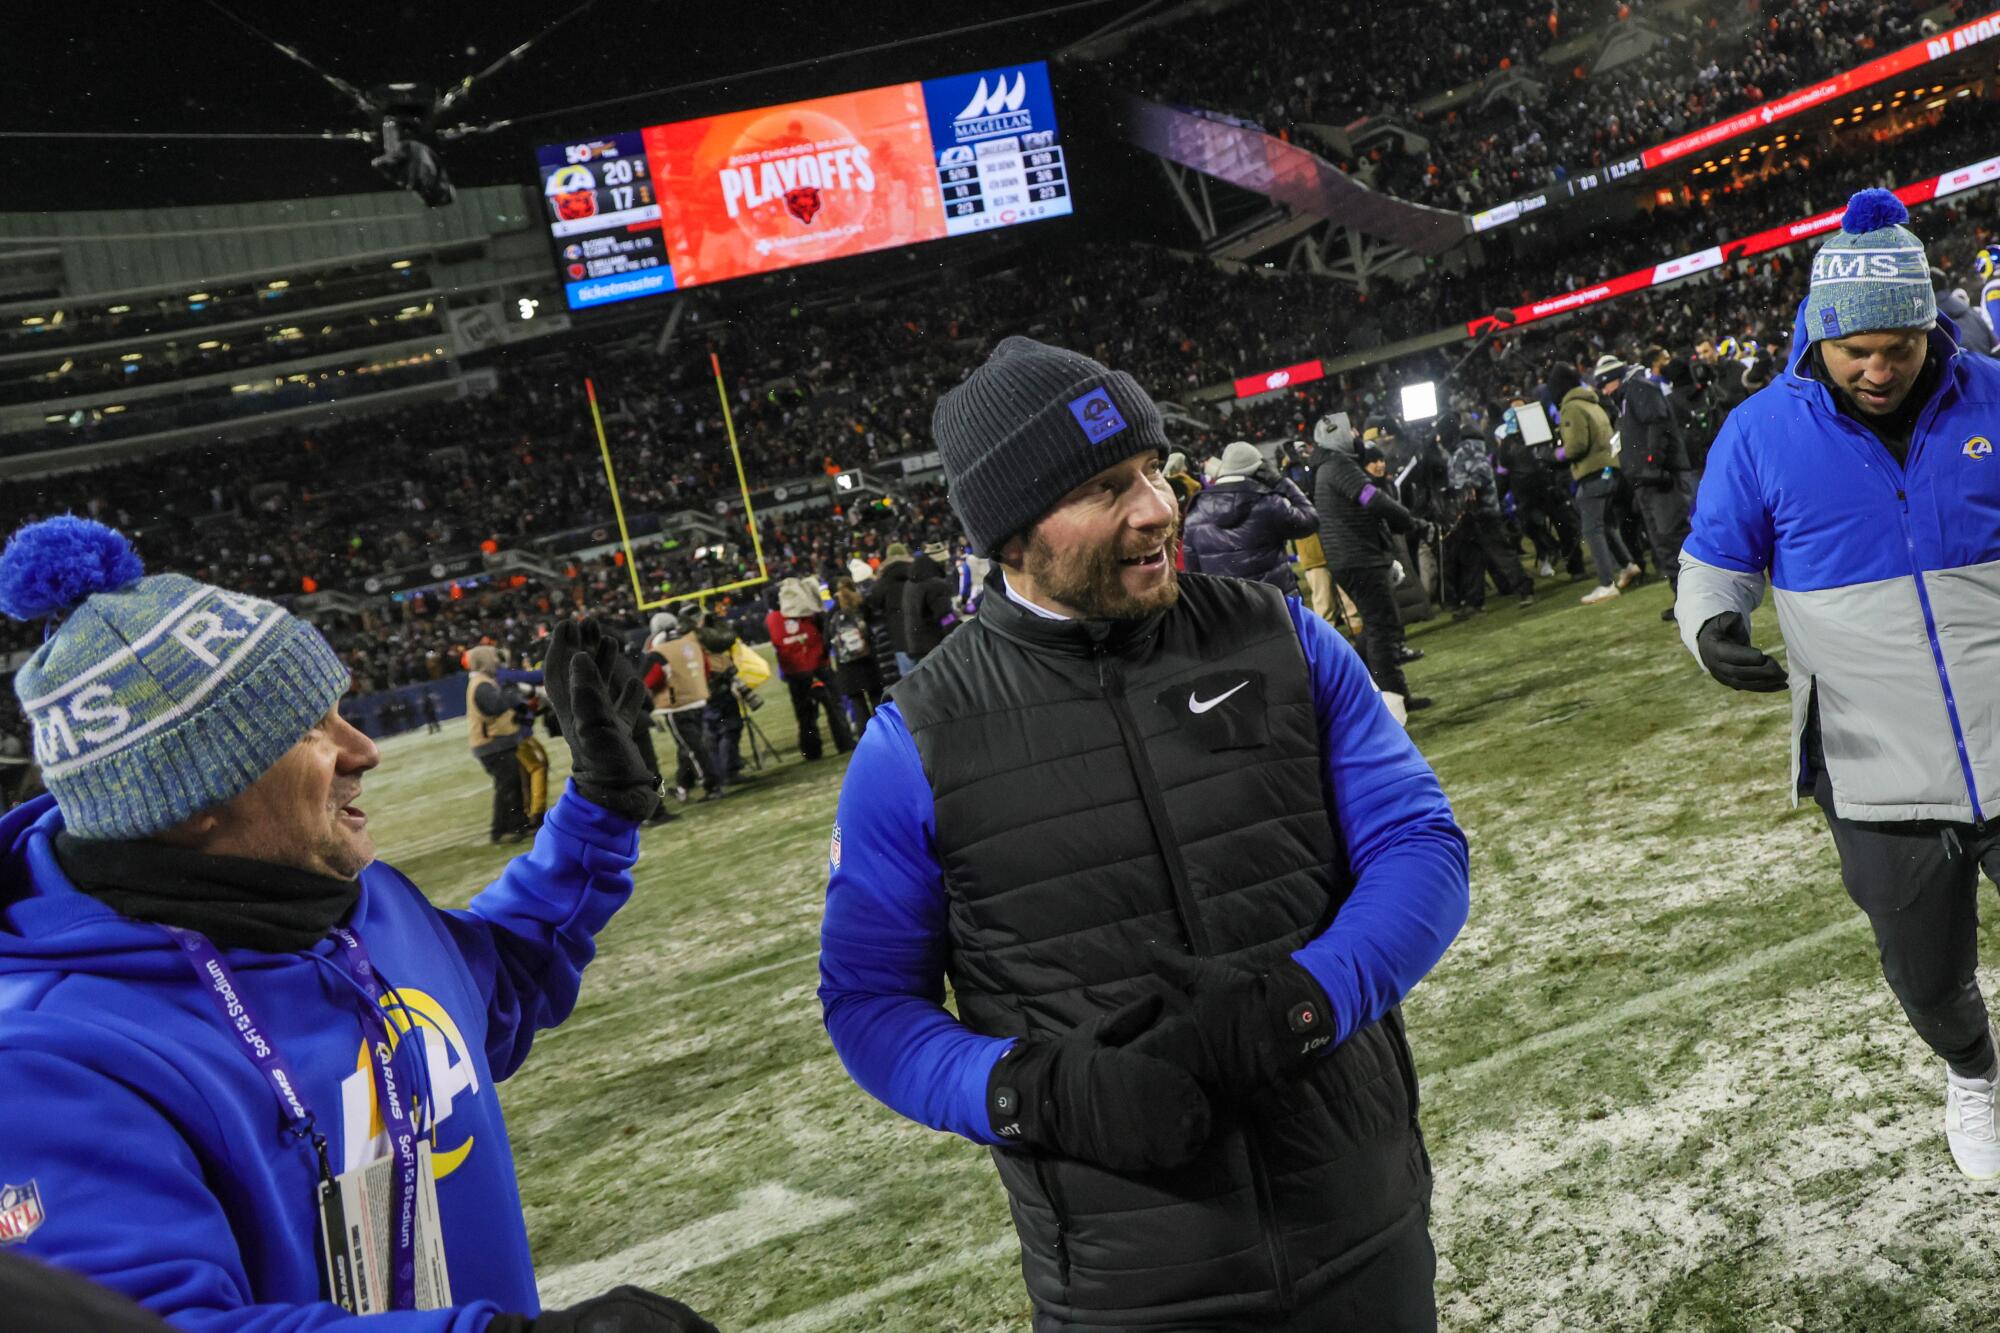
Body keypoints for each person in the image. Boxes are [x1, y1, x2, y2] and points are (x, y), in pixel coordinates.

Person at [819, 337, 1469, 1330]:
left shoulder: (1281, 637)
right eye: (1102, 488)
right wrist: (1026, 1093)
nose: (1158, 507)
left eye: (1152, 471)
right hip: (1128, 1290)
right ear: (1008, 533)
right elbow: (867, 1003)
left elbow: (1419, 846)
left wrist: (1303, 1000)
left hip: (1361, 1226)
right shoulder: (914, 743)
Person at [0, 516, 714, 1331]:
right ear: (190, 798)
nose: (364, 747)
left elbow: (490, 990)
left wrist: (600, 813)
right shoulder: (47, 1063)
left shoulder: (349, 902)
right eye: (309, 728)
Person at [1678, 189, 2000, 1181]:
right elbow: (1712, 560)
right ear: (1816, 332)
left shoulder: (1992, 393)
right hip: (1869, 766)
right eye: (1853, 348)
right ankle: (1976, 1079)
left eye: (1896, 345)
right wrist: (1709, 625)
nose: (1875, 368)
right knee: (1922, 970)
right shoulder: (1755, 431)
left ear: (1926, 326)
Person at [1312, 414, 1432, 711]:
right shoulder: (1340, 466)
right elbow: (1374, 500)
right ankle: (1394, 698)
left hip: (1349, 558)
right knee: (1383, 628)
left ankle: (1356, 691)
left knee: (1373, 628)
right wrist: (1411, 522)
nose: (1355, 434)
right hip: (1360, 558)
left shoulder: (1328, 467)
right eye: (1350, 429)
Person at [1595, 352, 1690, 622]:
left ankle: (1696, 596)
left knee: (1673, 538)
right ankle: (1683, 598)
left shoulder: (1638, 389)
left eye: (1605, 384)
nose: (1603, 391)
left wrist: (1653, 465)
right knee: (1663, 542)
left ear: (1614, 379)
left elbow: (1657, 425)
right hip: (1647, 483)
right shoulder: (1629, 396)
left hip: (1660, 481)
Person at [1179, 440, 1318, 595]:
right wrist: (1281, 482)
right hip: (1276, 606)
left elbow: (1194, 572)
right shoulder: (1268, 503)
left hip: (1228, 609)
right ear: (1259, 469)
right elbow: (1310, 521)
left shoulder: (1196, 510)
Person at [1550, 363, 1639, 605]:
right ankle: (1627, 565)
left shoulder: (1571, 408)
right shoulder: (1592, 402)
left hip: (1592, 472)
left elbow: (1576, 446)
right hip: (1609, 468)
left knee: (1591, 528)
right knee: (1603, 524)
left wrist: (1556, 454)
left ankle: (1606, 583)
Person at [1440, 416, 1534, 617]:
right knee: (1473, 559)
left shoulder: (1466, 450)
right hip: (1471, 513)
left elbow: (1480, 473)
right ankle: (1474, 602)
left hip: (1481, 511)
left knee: (1500, 552)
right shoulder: (1462, 450)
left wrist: (1469, 489)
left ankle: (1525, 588)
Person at [765, 577, 854, 760]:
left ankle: (811, 751)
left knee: (805, 714)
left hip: (795, 672)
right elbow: (824, 633)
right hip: (819, 665)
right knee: (834, 708)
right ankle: (844, 742)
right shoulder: (810, 613)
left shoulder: (773, 618)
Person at [465, 645, 531, 844]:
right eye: (492, 658)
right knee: (507, 787)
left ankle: (514, 825)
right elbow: (495, 706)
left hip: (496, 743)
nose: (496, 661)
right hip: (492, 744)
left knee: (510, 785)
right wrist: (512, 692)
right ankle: (504, 829)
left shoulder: (483, 682)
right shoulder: (482, 684)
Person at [827, 577, 884, 738]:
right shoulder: (862, 605)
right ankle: (888, 735)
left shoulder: (832, 613)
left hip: (847, 667)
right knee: (877, 700)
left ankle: (868, 741)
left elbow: (827, 639)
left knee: (858, 705)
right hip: (868, 661)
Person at [900, 542, 960, 664]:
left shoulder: (910, 583)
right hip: (935, 646)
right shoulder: (935, 585)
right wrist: (960, 630)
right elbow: (945, 617)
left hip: (916, 646)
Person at [865, 542, 917, 678]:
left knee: (911, 683)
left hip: (900, 637)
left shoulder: (884, 581)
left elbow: (874, 602)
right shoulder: (918, 572)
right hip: (926, 634)